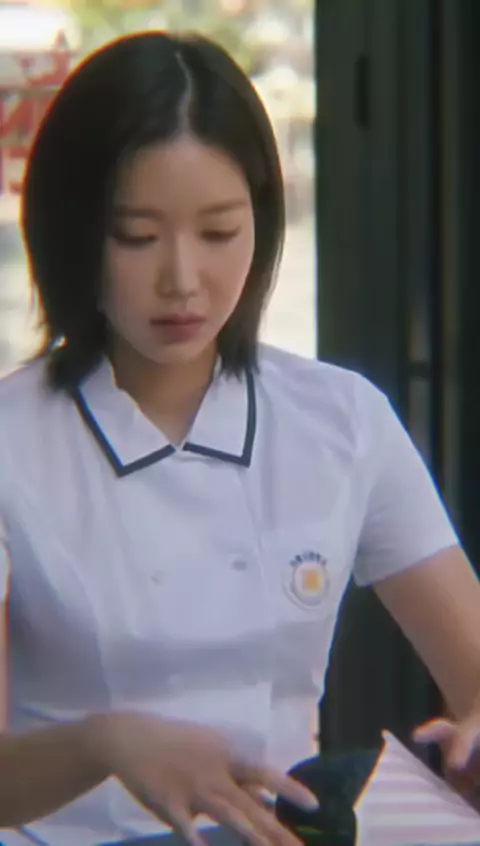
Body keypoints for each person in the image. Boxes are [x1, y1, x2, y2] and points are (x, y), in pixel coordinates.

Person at [0, 28, 479, 846]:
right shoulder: (14, 443)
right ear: (70, 231)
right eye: (137, 236)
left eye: (219, 232)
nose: (182, 280)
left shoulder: (342, 421)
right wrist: (106, 743)